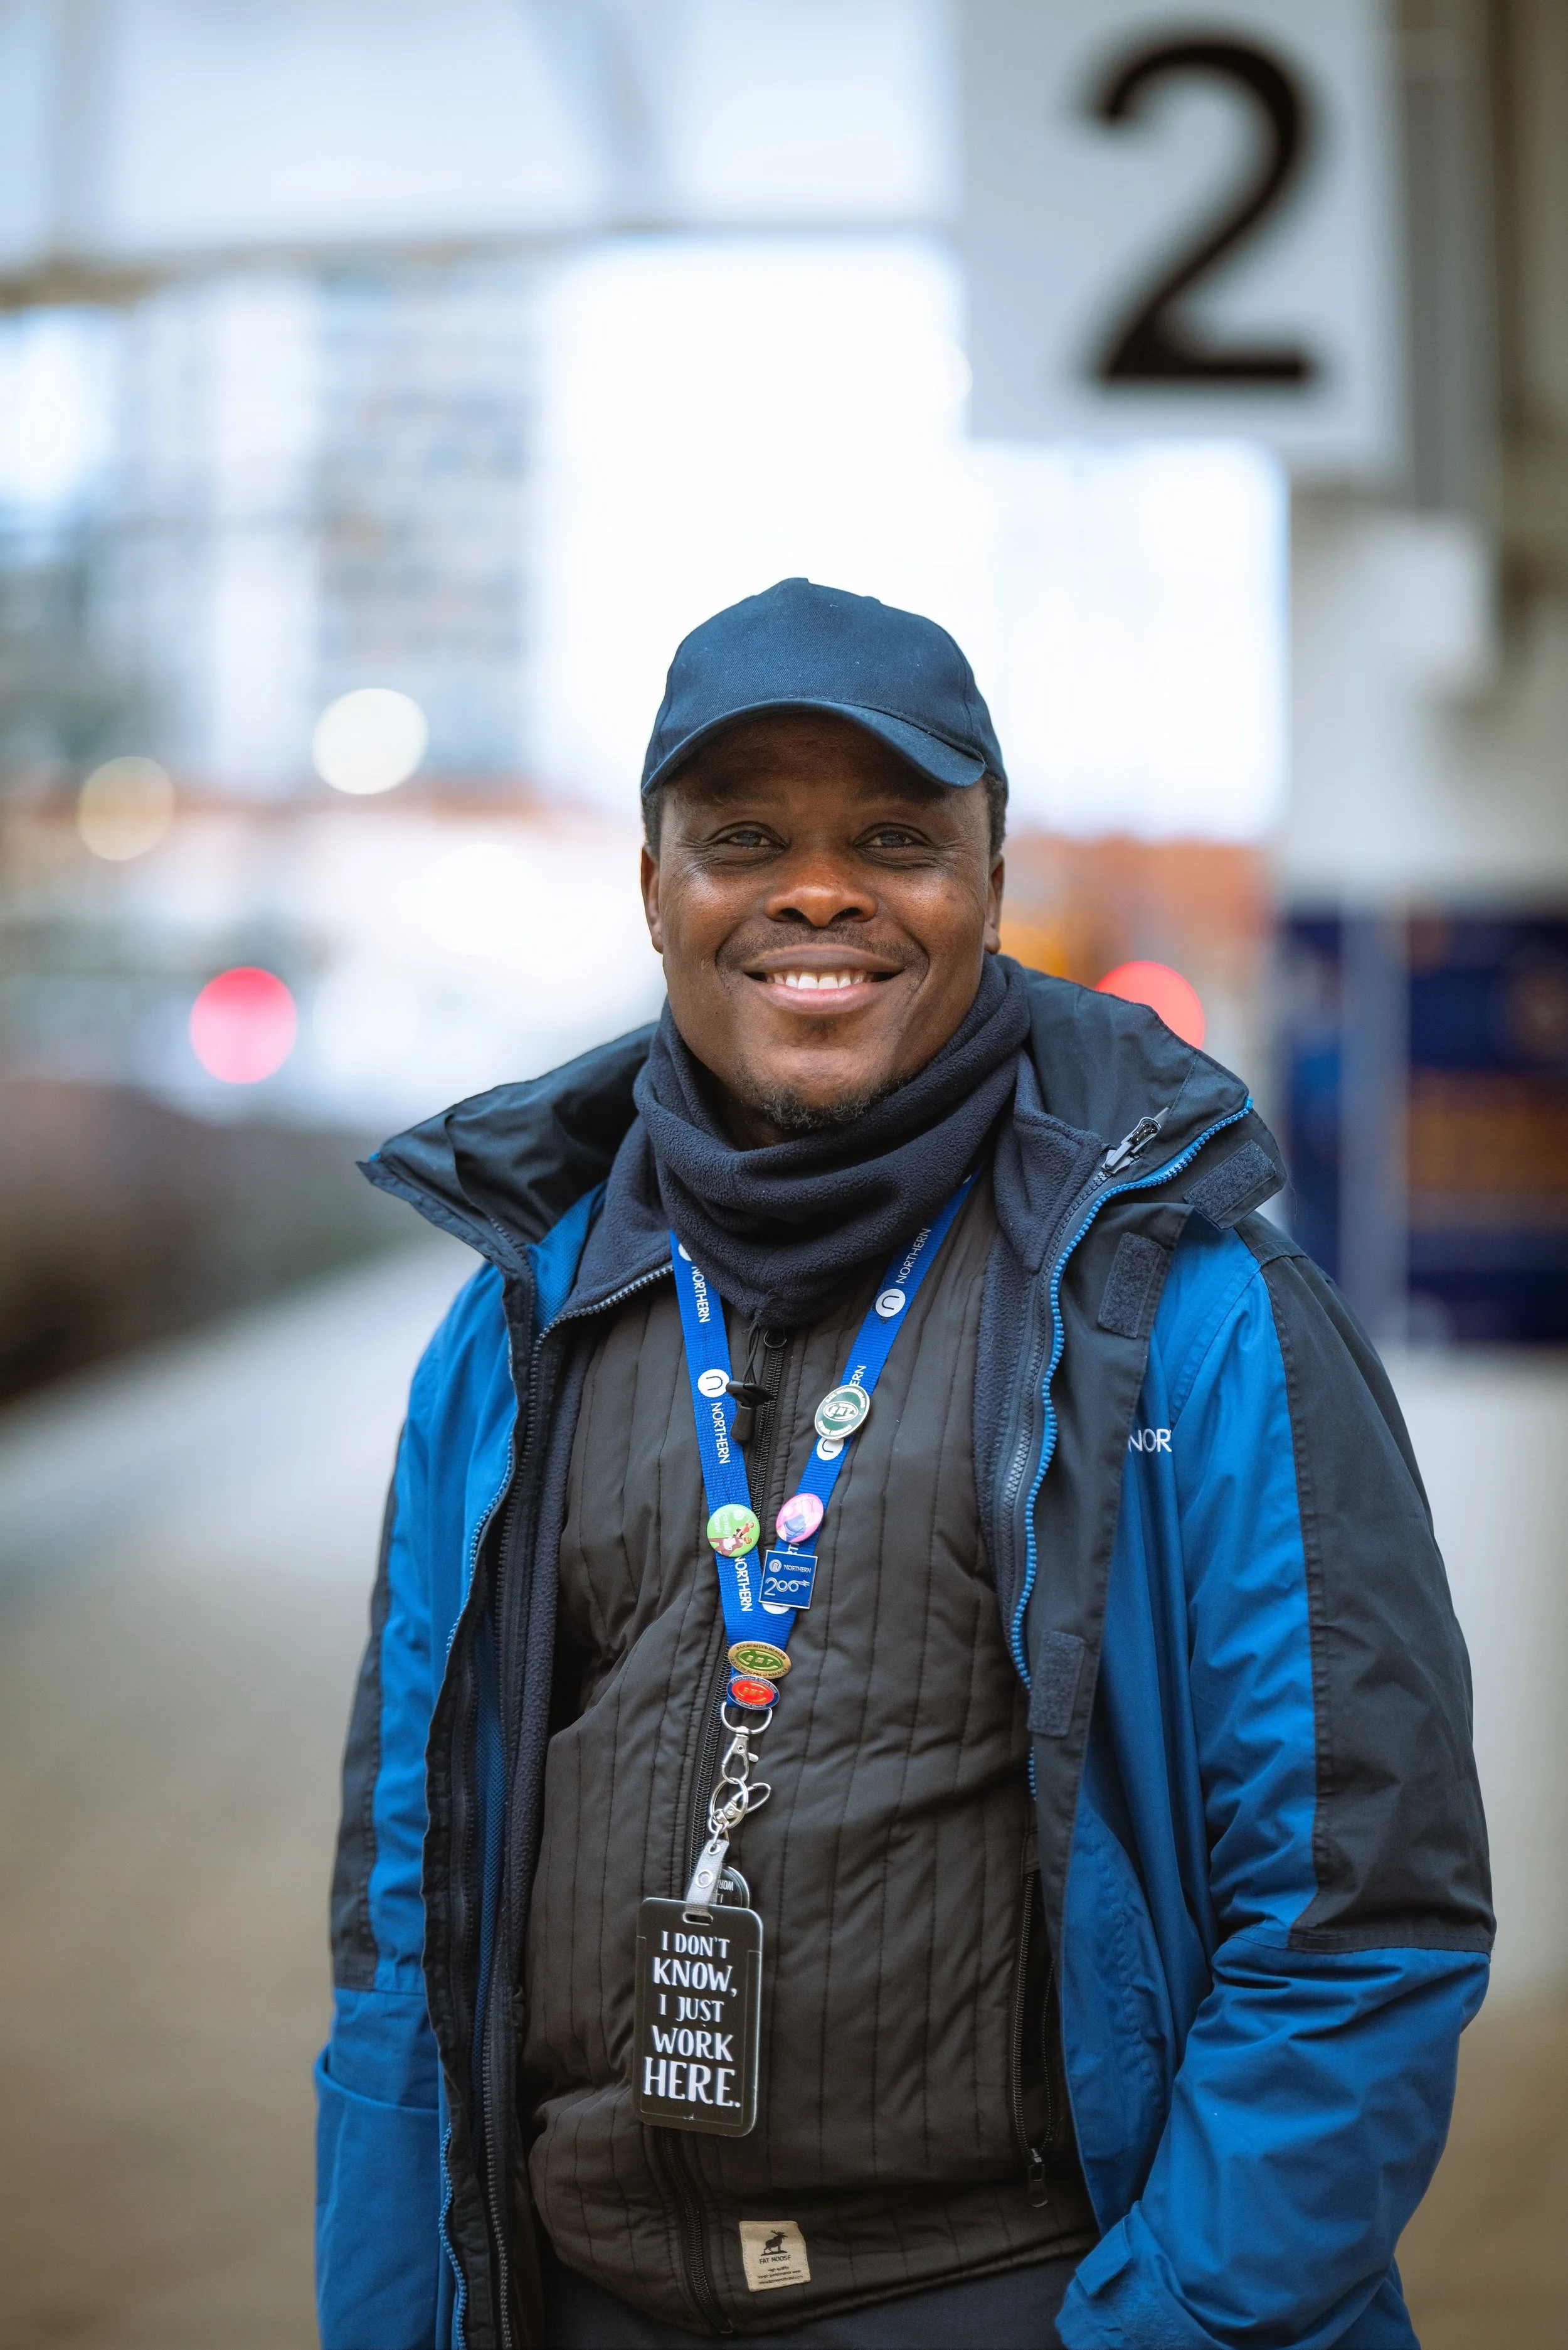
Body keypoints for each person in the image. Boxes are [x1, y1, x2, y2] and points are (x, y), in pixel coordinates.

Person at [315, 580, 1491, 2350]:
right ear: (652, 887)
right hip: (590, 2298)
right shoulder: (509, 1333)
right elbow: (404, 1919)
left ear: (989, 879)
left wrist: (1166, 2326)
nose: (815, 890)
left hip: (1026, 2296)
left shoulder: (1185, 1311)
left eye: (892, 836)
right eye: (740, 838)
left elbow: (1358, 1906)